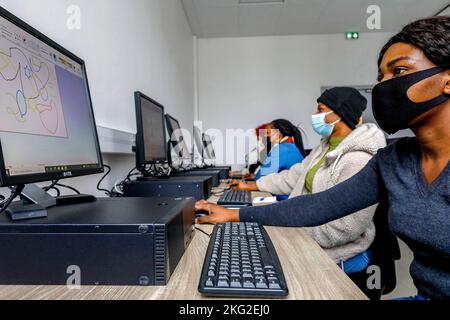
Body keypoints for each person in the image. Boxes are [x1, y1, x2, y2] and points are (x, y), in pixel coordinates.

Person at [196, 16, 450, 300]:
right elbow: (319, 206)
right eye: (381, 78)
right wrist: (235, 215)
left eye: (399, 71)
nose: (383, 87)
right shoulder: (394, 160)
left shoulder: (361, 156)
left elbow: (341, 227)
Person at [230, 87, 388, 274]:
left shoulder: (359, 159)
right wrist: (254, 186)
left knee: (258, 266)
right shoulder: (324, 147)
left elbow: (345, 228)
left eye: (320, 110)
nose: (315, 115)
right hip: (308, 229)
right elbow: (293, 176)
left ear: (340, 114)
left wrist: (287, 230)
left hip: (341, 252)